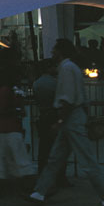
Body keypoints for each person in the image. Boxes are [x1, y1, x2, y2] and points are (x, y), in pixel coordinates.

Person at [26, 39, 104, 206]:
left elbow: (67, 99)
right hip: (73, 117)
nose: (52, 52)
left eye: (54, 49)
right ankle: (38, 193)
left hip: (70, 118)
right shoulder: (71, 68)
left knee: (82, 159)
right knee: (57, 158)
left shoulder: (67, 69)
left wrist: (60, 120)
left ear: (60, 51)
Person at [0, 55, 34, 197]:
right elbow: (4, 109)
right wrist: (18, 110)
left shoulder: (2, 89)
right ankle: (30, 188)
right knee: (20, 158)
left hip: (2, 128)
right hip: (10, 128)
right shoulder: (7, 91)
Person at [33, 58, 70, 188]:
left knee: (43, 148)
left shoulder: (37, 83)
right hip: (53, 115)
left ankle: (42, 174)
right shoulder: (55, 83)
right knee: (58, 148)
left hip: (42, 115)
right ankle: (60, 177)